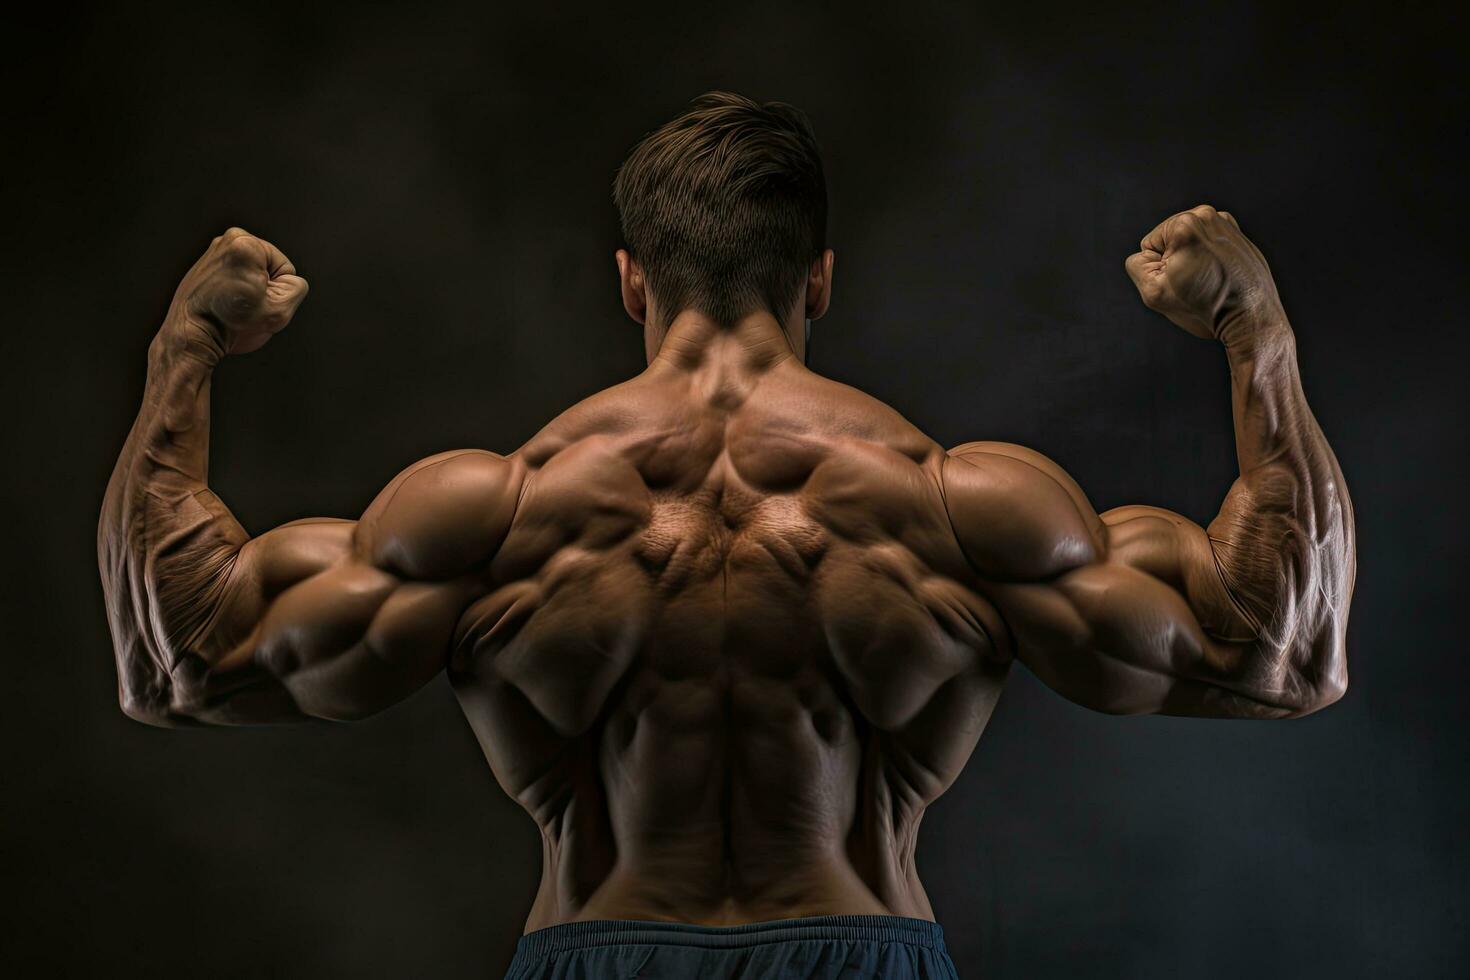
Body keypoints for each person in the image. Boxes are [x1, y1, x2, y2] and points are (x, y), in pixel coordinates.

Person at [98, 91, 1355, 979]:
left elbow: (183, 665)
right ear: (817, 278)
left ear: (632, 280)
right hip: (866, 945)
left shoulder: (497, 509)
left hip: (592, 945)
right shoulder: (954, 501)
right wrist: (1259, 331)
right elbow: (1278, 657)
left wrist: (185, 352)